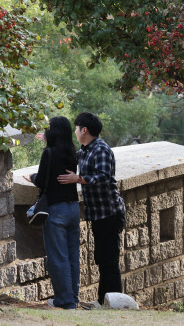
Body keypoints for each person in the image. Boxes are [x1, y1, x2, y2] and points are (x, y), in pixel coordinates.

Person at [58, 113, 126, 309]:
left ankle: (113, 303)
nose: (76, 132)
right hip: (98, 214)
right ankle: (104, 301)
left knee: (109, 260)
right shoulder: (85, 150)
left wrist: (78, 179)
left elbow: (104, 177)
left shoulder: (101, 150)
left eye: (76, 128)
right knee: (103, 258)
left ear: (84, 130)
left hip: (110, 214)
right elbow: (68, 156)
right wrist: (51, 139)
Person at [24, 117, 80, 309]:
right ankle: (72, 297)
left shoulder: (49, 153)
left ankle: (64, 301)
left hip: (56, 210)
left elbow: (42, 181)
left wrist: (31, 177)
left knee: (58, 257)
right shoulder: (72, 152)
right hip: (73, 208)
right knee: (73, 255)